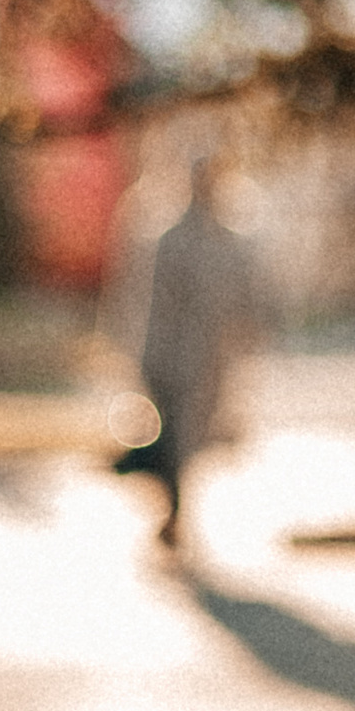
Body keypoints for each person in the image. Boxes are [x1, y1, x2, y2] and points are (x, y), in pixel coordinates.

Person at [128, 153, 271, 555]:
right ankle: (174, 511)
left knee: (194, 440)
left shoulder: (230, 241)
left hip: (211, 361)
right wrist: (146, 357)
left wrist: (252, 336)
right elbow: (155, 305)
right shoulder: (171, 239)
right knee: (174, 438)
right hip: (173, 358)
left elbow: (249, 300)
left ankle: (177, 510)